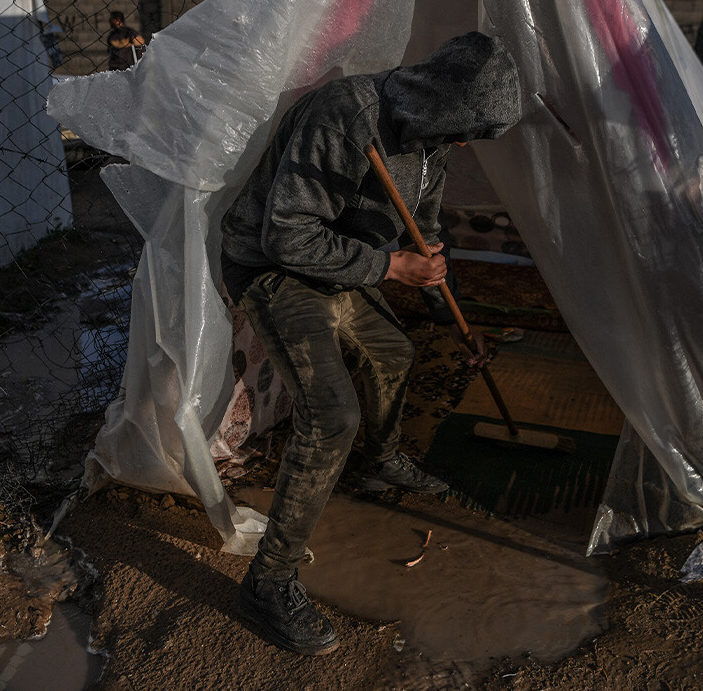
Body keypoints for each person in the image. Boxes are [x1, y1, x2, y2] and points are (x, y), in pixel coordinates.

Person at [219, 32, 522, 655]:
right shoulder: (345, 115)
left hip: (343, 264)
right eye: (465, 128)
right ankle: (268, 583)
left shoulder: (430, 139)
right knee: (332, 416)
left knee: (395, 351)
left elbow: (427, 239)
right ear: (440, 103)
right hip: (275, 269)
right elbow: (287, 237)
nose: (465, 143)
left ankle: (380, 459)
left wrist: (447, 312)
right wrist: (389, 270)